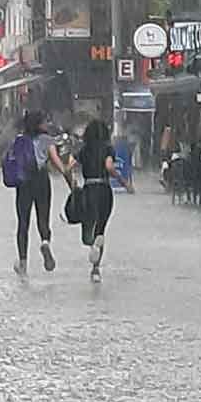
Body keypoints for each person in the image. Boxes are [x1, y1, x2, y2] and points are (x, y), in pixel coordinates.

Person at [0, 110, 73, 277]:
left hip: (23, 183)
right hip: (41, 181)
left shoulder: (18, 141)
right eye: (45, 121)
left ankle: (23, 263)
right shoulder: (47, 140)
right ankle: (45, 242)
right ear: (39, 124)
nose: (47, 124)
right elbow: (58, 165)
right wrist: (70, 175)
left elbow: (1, 162)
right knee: (43, 217)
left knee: (23, 222)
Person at [68, 120, 132, 283]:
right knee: (101, 229)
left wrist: (73, 182)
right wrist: (123, 182)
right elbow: (109, 167)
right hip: (104, 189)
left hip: (88, 189)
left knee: (88, 226)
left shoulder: (84, 149)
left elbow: (69, 167)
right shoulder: (108, 149)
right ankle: (96, 269)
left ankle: (91, 244)